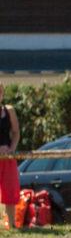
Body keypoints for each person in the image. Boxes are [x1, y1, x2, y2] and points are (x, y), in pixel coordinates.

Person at [0, 84, 21, 229]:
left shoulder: (9, 110)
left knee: (10, 191)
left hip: (7, 157)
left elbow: (16, 132)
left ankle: (12, 225)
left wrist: (12, 149)